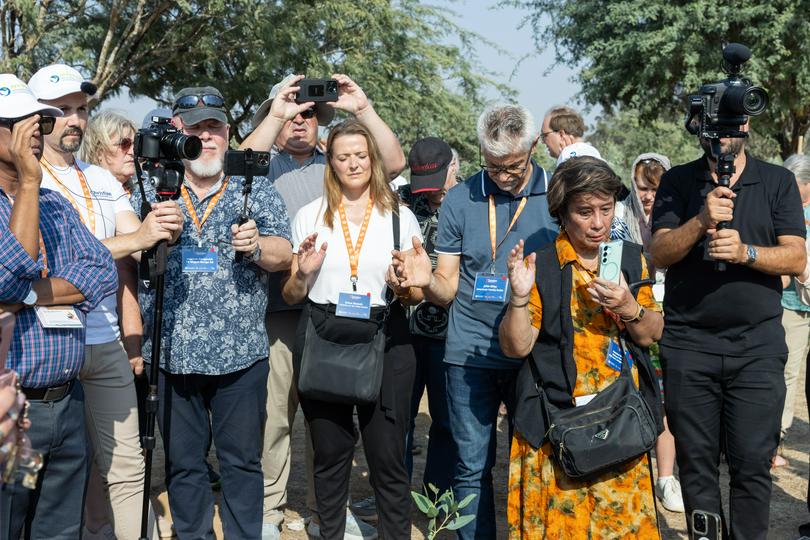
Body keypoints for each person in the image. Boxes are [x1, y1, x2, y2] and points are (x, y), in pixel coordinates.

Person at [244, 73, 406, 540]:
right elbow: (236, 171)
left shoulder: (339, 159)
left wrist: (362, 107)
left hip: (339, 318)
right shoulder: (263, 160)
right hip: (280, 308)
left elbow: (392, 161)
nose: (300, 121)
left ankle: (324, 511)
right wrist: (275, 110)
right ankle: (270, 508)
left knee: (328, 418)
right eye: (292, 113)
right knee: (277, 414)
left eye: (309, 113)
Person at [28, 63, 185, 539]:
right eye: (62, 111)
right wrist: (135, 237)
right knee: (50, 475)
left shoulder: (99, 177)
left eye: (81, 110)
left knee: (127, 466)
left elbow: (134, 240)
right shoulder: (24, 181)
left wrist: (162, 228)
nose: (74, 120)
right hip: (48, 346)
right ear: (37, 119)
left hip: (105, 340)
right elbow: (48, 265)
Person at [130, 86, 293, 539]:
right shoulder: (149, 185)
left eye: (215, 127)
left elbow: (285, 252)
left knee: (242, 462)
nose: (208, 136)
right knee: (183, 465)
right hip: (170, 352)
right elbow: (128, 257)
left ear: (228, 132)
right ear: (178, 131)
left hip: (240, 356)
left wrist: (258, 247)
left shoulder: (252, 184)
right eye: (197, 127)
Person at [392, 104, 557, 539]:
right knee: (470, 467)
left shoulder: (557, 195)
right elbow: (447, 285)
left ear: (534, 148)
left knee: (538, 462)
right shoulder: (462, 198)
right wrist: (426, 282)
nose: (504, 177)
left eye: (514, 167)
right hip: (469, 353)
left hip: (534, 353)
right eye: (494, 166)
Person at [650, 124, 806, 539]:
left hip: (757, 348)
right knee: (696, 465)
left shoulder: (777, 180)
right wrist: (701, 219)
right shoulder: (678, 180)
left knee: (753, 465)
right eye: (716, 120)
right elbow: (659, 251)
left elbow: (796, 257)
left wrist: (745, 252)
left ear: (749, 124)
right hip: (689, 346)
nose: (724, 131)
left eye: (735, 119)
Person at [500, 156, 663, 538]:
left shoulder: (630, 258)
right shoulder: (540, 262)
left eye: (606, 209)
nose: (598, 223)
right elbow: (516, 347)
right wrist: (520, 298)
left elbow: (652, 333)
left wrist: (629, 307)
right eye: (584, 212)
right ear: (562, 212)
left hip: (620, 422)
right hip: (558, 427)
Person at [282, 118, 422, 540]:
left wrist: (407, 287)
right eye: (343, 157)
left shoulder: (401, 216)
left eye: (361, 155)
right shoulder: (311, 216)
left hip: (386, 336)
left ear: (374, 159)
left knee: (387, 457)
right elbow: (292, 294)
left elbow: (415, 296)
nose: (353, 164)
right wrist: (302, 274)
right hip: (324, 335)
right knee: (330, 454)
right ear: (331, 161)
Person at [0, 74, 118, 539]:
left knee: (58, 530)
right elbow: (7, 274)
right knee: (9, 524)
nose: (38, 131)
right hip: (12, 413)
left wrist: (27, 295)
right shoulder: (36, 192)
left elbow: (100, 272)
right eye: (23, 124)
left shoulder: (54, 204)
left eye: (41, 121)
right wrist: (28, 183)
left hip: (64, 406)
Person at [616, 152, 684, 512]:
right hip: (630, 313)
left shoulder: (679, 215)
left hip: (670, 313)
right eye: (642, 187)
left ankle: (666, 477)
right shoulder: (619, 216)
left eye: (654, 188)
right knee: (636, 394)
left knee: (667, 397)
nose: (647, 196)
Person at [398, 137, 458, 494]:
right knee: (398, 418)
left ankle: (439, 495)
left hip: (450, 332)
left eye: (438, 183)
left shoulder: (471, 200)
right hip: (403, 329)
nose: (431, 194)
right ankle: (393, 493)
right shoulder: (401, 198)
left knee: (447, 421)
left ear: (453, 168)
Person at [774, 153, 810, 469]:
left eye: (795, 186)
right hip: (792, 305)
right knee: (786, 372)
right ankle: (776, 439)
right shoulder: (783, 209)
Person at [80, 109, 137, 192]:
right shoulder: (82, 195)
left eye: (135, 144)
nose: (133, 151)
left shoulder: (145, 193)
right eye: (124, 144)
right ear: (98, 153)